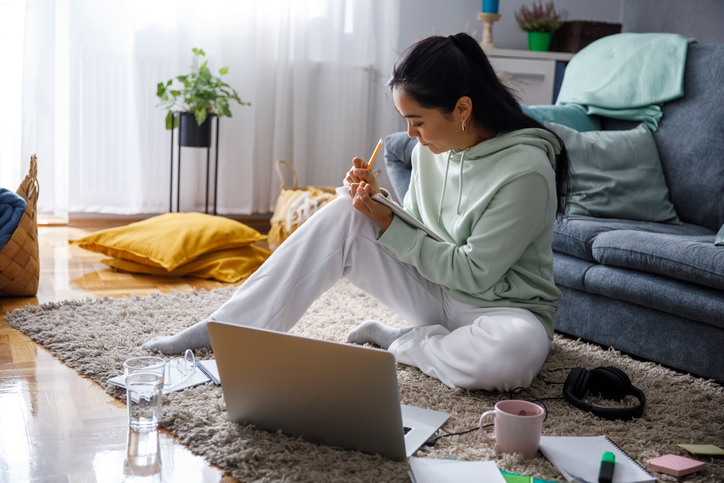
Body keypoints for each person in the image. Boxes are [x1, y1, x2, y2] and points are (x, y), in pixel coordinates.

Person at [142, 32, 571, 392]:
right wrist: (377, 203)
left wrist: (386, 221)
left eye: (417, 121)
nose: (410, 134)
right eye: (406, 120)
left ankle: (401, 343)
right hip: (440, 294)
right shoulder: (429, 151)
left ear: (462, 109)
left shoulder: (525, 172)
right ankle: (225, 331)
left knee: (508, 360)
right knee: (348, 211)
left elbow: (474, 273)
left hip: (503, 312)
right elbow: (426, 236)